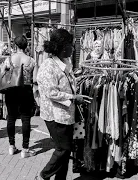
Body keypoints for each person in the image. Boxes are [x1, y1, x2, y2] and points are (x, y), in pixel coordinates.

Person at [36, 29, 91, 180]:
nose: (73, 49)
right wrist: (73, 97)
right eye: (71, 45)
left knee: (66, 151)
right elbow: (51, 92)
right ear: (62, 46)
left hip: (66, 113)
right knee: (63, 149)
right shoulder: (48, 66)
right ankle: (43, 175)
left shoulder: (65, 62)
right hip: (54, 115)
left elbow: (67, 82)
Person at [1, 36, 37, 158]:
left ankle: (11, 146)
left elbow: (2, 74)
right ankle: (25, 149)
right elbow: (35, 79)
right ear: (26, 46)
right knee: (26, 119)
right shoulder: (31, 60)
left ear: (15, 45)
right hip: (26, 90)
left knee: (11, 118)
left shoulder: (9, 59)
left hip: (11, 91)